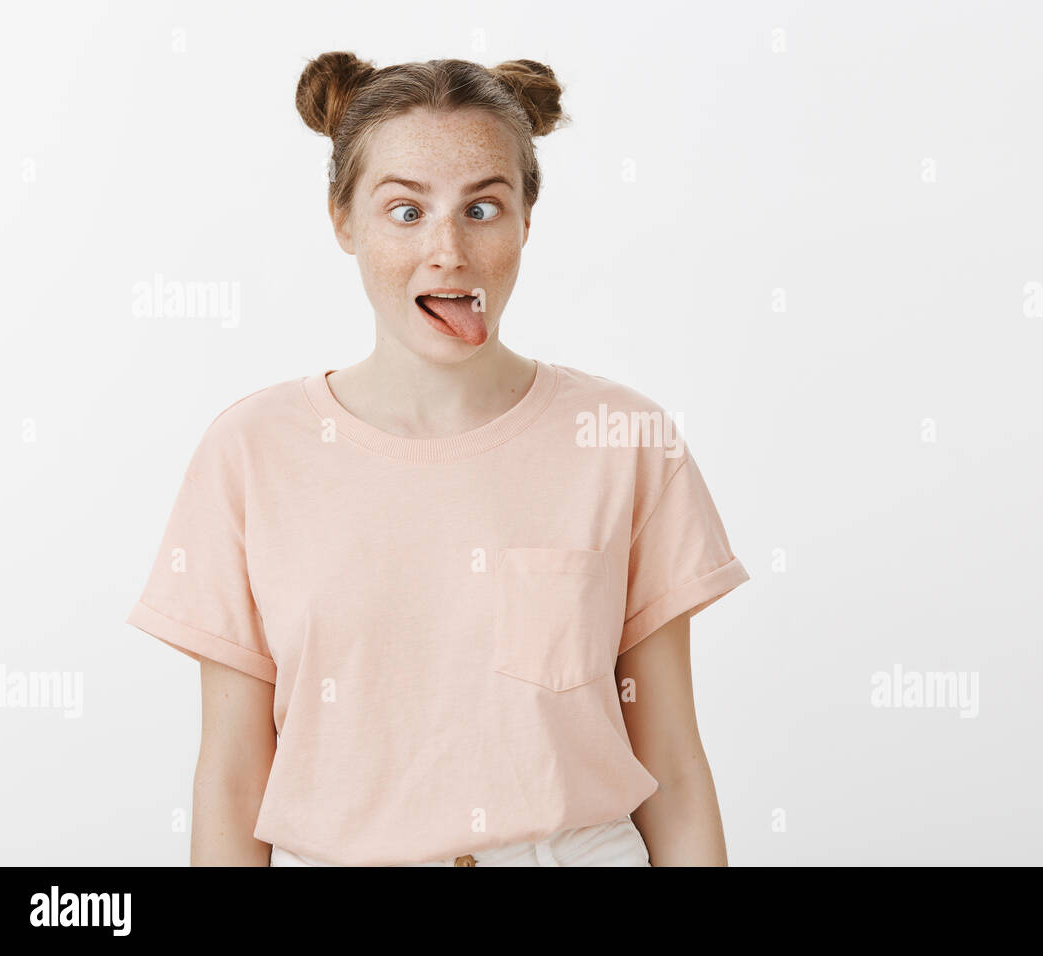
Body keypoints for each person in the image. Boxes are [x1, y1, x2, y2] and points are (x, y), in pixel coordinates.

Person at [125, 53, 750, 867]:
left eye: (483, 207)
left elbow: (672, 759)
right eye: (406, 212)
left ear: (528, 218)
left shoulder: (623, 438)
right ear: (343, 220)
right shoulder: (250, 452)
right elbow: (234, 775)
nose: (448, 250)